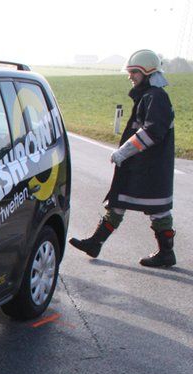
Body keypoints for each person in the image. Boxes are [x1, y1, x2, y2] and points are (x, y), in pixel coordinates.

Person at [70, 49, 177, 268]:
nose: (130, 76)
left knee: (158, 210)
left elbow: (152, 132)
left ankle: (166, 254)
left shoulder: (155, 97)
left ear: (148, 73)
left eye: (134, 72)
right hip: (142, 166)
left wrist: (123, 152)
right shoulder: (148, 95)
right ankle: (95, 243)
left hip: (150, 167)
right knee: (118, 202)